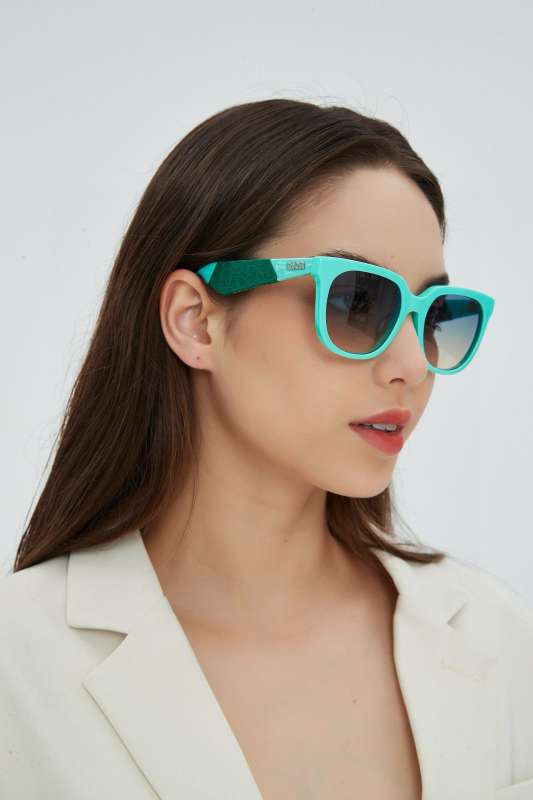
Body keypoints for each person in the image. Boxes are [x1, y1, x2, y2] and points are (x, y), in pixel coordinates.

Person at [1, 98, 532, 799]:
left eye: (434, 315)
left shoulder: (498, 640)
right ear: (196, 321)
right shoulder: (20, 664)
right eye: (358, 302)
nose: (412, 363)